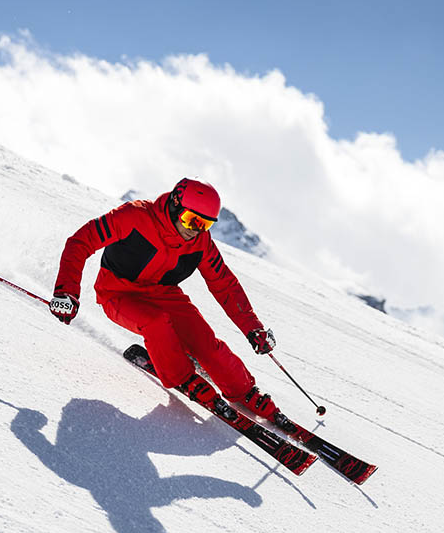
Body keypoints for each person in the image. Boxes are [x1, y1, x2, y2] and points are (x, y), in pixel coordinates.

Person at [49, 178, 282, 420]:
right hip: (117, 292)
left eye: (205, 224)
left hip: (164, 293)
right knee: (156, 323)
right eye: (191, 220)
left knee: (205, 342)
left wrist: (253, 328)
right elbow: (80, 242)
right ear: (174, 205)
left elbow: (224, 283)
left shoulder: (200, 242)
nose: (195, 230)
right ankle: (184, 377)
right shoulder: (134, 216)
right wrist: (67, 291)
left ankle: (243, 390)